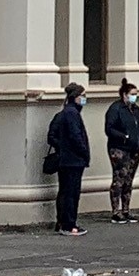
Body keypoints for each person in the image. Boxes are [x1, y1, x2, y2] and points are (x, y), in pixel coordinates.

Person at [48, 80, 95, 236]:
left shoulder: (65, 113)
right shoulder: (72, 113)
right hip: (73, 160)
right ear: (75, 97)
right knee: (71, 193)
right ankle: (69, 224)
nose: (84, 98)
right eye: (82, 95)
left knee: (65, 192)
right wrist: (83, 152)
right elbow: (75, 137)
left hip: (67, 159)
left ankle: (63, 222)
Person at [104, 78, 139, 223]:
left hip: (134, 148)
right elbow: (109, 129)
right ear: (124, 95)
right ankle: (116, 211)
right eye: (132, 94)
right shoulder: (116, 109)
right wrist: (124, 137)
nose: (134, 97)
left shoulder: (136, 110)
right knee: (119, 179)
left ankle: (126, 210)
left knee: (129, 180)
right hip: (120, 148)